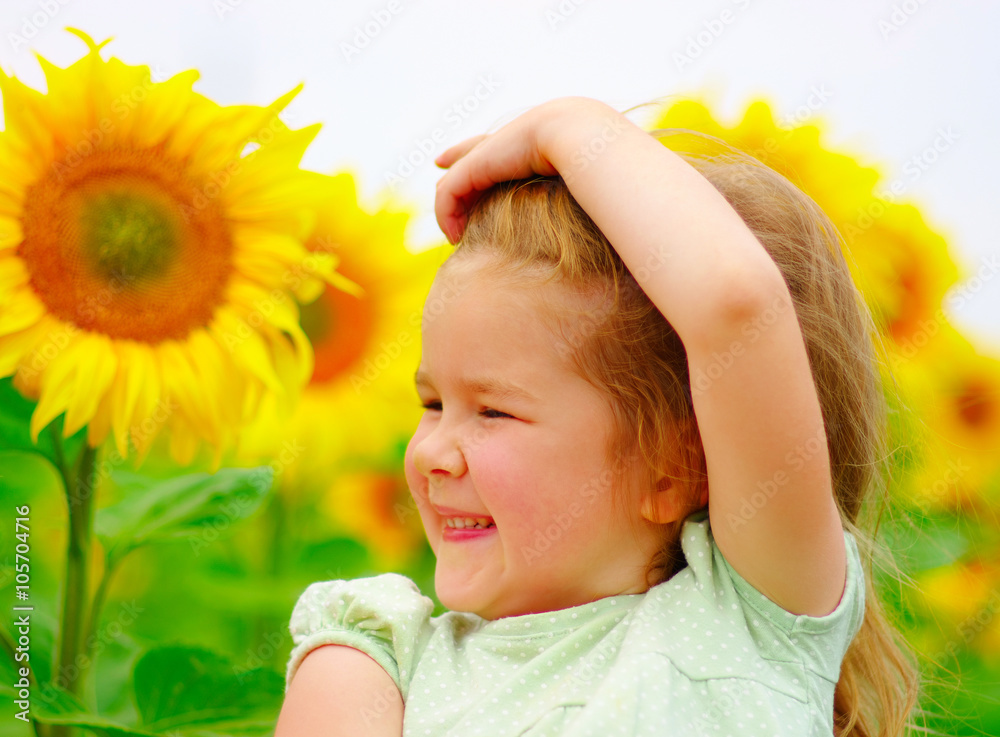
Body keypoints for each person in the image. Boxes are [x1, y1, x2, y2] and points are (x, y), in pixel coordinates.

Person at [274, 97, 919, 736]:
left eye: (494, 412)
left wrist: (569, 126)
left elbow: (734, 305)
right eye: (434, 404)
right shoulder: (381, 662)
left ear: (675, 467)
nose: (432, 453)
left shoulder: (751, 621)